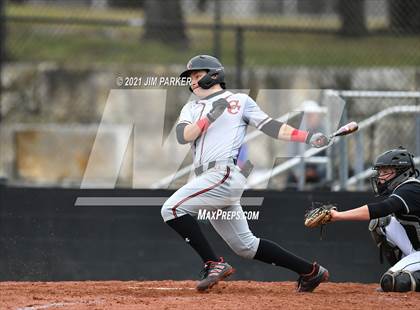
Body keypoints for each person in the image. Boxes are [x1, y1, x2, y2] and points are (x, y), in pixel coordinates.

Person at [161, 55, 331, 292]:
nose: (193, 82)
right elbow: (183, 136)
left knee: (172, 209)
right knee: (246, 246)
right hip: (207, 179)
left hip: (222, 173)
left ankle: (213, 264)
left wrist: (308, 137)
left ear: (214, 76)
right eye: (191, 78)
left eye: (198, 76)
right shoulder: (191, 107)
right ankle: (310, 271)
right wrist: (210, 118)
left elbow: (271, 126)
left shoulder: (239, 101)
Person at [329, 147, 420, 292]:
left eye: (386, 172)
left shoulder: (411, 188)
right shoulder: (405, 187)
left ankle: (402, 274)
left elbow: (382, 208)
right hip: (417, 249)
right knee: (381, 223)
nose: (380, 177)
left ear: (403, 172)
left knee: (392, 282)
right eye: (380, 172)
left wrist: (338, 215)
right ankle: (403, 269)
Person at [287, 100, 328, 190]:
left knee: (325, 180)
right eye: (308, 115)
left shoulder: (324, 130)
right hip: (301, 167)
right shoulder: (295, 131)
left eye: (313, 115)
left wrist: (315, 171)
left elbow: (328, 154)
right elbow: (291, 154)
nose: (311, 118)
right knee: (290, 183)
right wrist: (299, 172)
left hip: (318, 169)